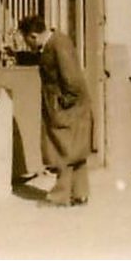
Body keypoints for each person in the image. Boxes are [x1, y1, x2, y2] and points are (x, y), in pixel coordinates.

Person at [19, 14, 92, 207]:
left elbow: (72, 79)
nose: (27, 44)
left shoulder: (58, 45)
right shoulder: (56, 42)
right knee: (76, 151)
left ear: (33, 35)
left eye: (26, 40)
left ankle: (59, 196)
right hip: (72, 106)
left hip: (68, 107)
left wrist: (62, 102)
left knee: (63, 151)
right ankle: (79, 193)